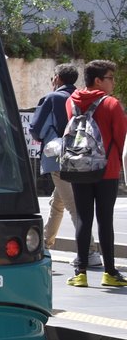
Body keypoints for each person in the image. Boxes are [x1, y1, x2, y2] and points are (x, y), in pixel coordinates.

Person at [29, 64, 101, 267]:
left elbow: (35, 129)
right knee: (58, 203)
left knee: (73, 206)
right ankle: (44, 246)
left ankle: (89, 252)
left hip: (60, 159)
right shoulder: (83, 97)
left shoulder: (52, 98)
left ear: (58, 78)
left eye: (53, 78)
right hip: (84, 157)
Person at [66, 60, 127, 288]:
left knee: (83, 218)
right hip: (106, 169)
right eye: (110, 78)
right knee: (105, 219)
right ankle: (109, 272)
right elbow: (122, 139)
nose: (113, 82)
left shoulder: (71, 101)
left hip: (78, 166)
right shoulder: (111, 104)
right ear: (98, 80)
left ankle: (80, 272)